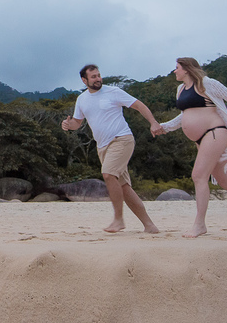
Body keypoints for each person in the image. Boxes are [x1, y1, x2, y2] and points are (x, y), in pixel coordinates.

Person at [152, 57, 227, 238]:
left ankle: (199, 225)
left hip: (215, 132)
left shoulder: (206, 83)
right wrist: (165, 127)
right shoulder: (180, 89)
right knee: (225, 181)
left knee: (198, 175)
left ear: (187, 69)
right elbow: (185, 115)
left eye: (177, 68)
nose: (174, 71)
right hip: (201, 139)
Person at [61, 64, 160, 234]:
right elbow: (77, 122)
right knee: (123, 187)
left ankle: (118, 220)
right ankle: (149, 225)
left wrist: (153, 122)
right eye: (93, 77)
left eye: (99, 75)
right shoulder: (82, 99)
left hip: (121, 139)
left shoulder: (113, 92)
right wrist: (68, 125)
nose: (98, 79)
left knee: (108, 174)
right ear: (84, 80)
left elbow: (139, 105)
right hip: (102, 146)